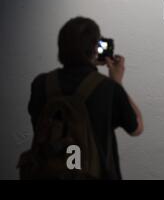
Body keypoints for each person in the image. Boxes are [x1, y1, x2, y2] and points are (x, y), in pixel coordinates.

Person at [27, 16, 143, 179]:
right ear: (95, 49)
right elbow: (136, 127)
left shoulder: (41, 84)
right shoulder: (108, 88)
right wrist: (117, 82)